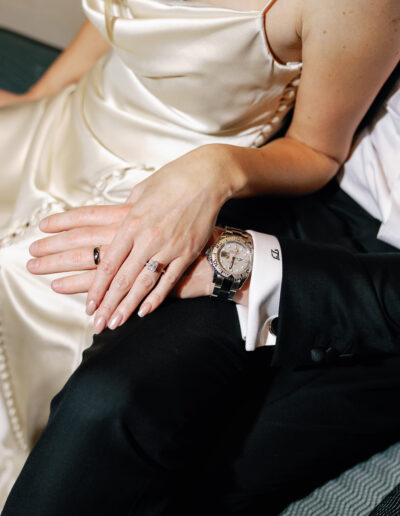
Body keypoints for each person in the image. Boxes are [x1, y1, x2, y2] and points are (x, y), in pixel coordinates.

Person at [0, 0, 399, 508]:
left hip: (178, 179)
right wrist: (37, 97)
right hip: (71, 129)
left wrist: (218, 173)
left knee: (29, 277)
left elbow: (317, 150)